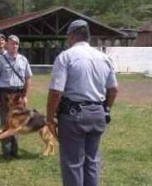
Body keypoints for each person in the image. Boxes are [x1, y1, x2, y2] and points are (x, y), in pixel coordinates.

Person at [46, 19, 118, 186]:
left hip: (74, 116)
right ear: (87, 36)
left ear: (71, 36)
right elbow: (113, 90)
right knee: (91, 162)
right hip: (98, 113)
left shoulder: (66, 57)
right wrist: (106, 109)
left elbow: (56, 92)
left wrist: (50, 118)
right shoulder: (104, 58)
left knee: (73, 164)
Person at [0, 35, 32, 159]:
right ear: (7, 45)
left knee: (17, 122)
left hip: (19, 96)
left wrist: (25, 96)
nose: (14, 46)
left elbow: (28, 78)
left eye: (16, 44)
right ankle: (6, 151)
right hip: (6, 96)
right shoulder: (0, 60)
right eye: (12, 43)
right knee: (6, 122)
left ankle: (15, 150)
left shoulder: (23, 60)